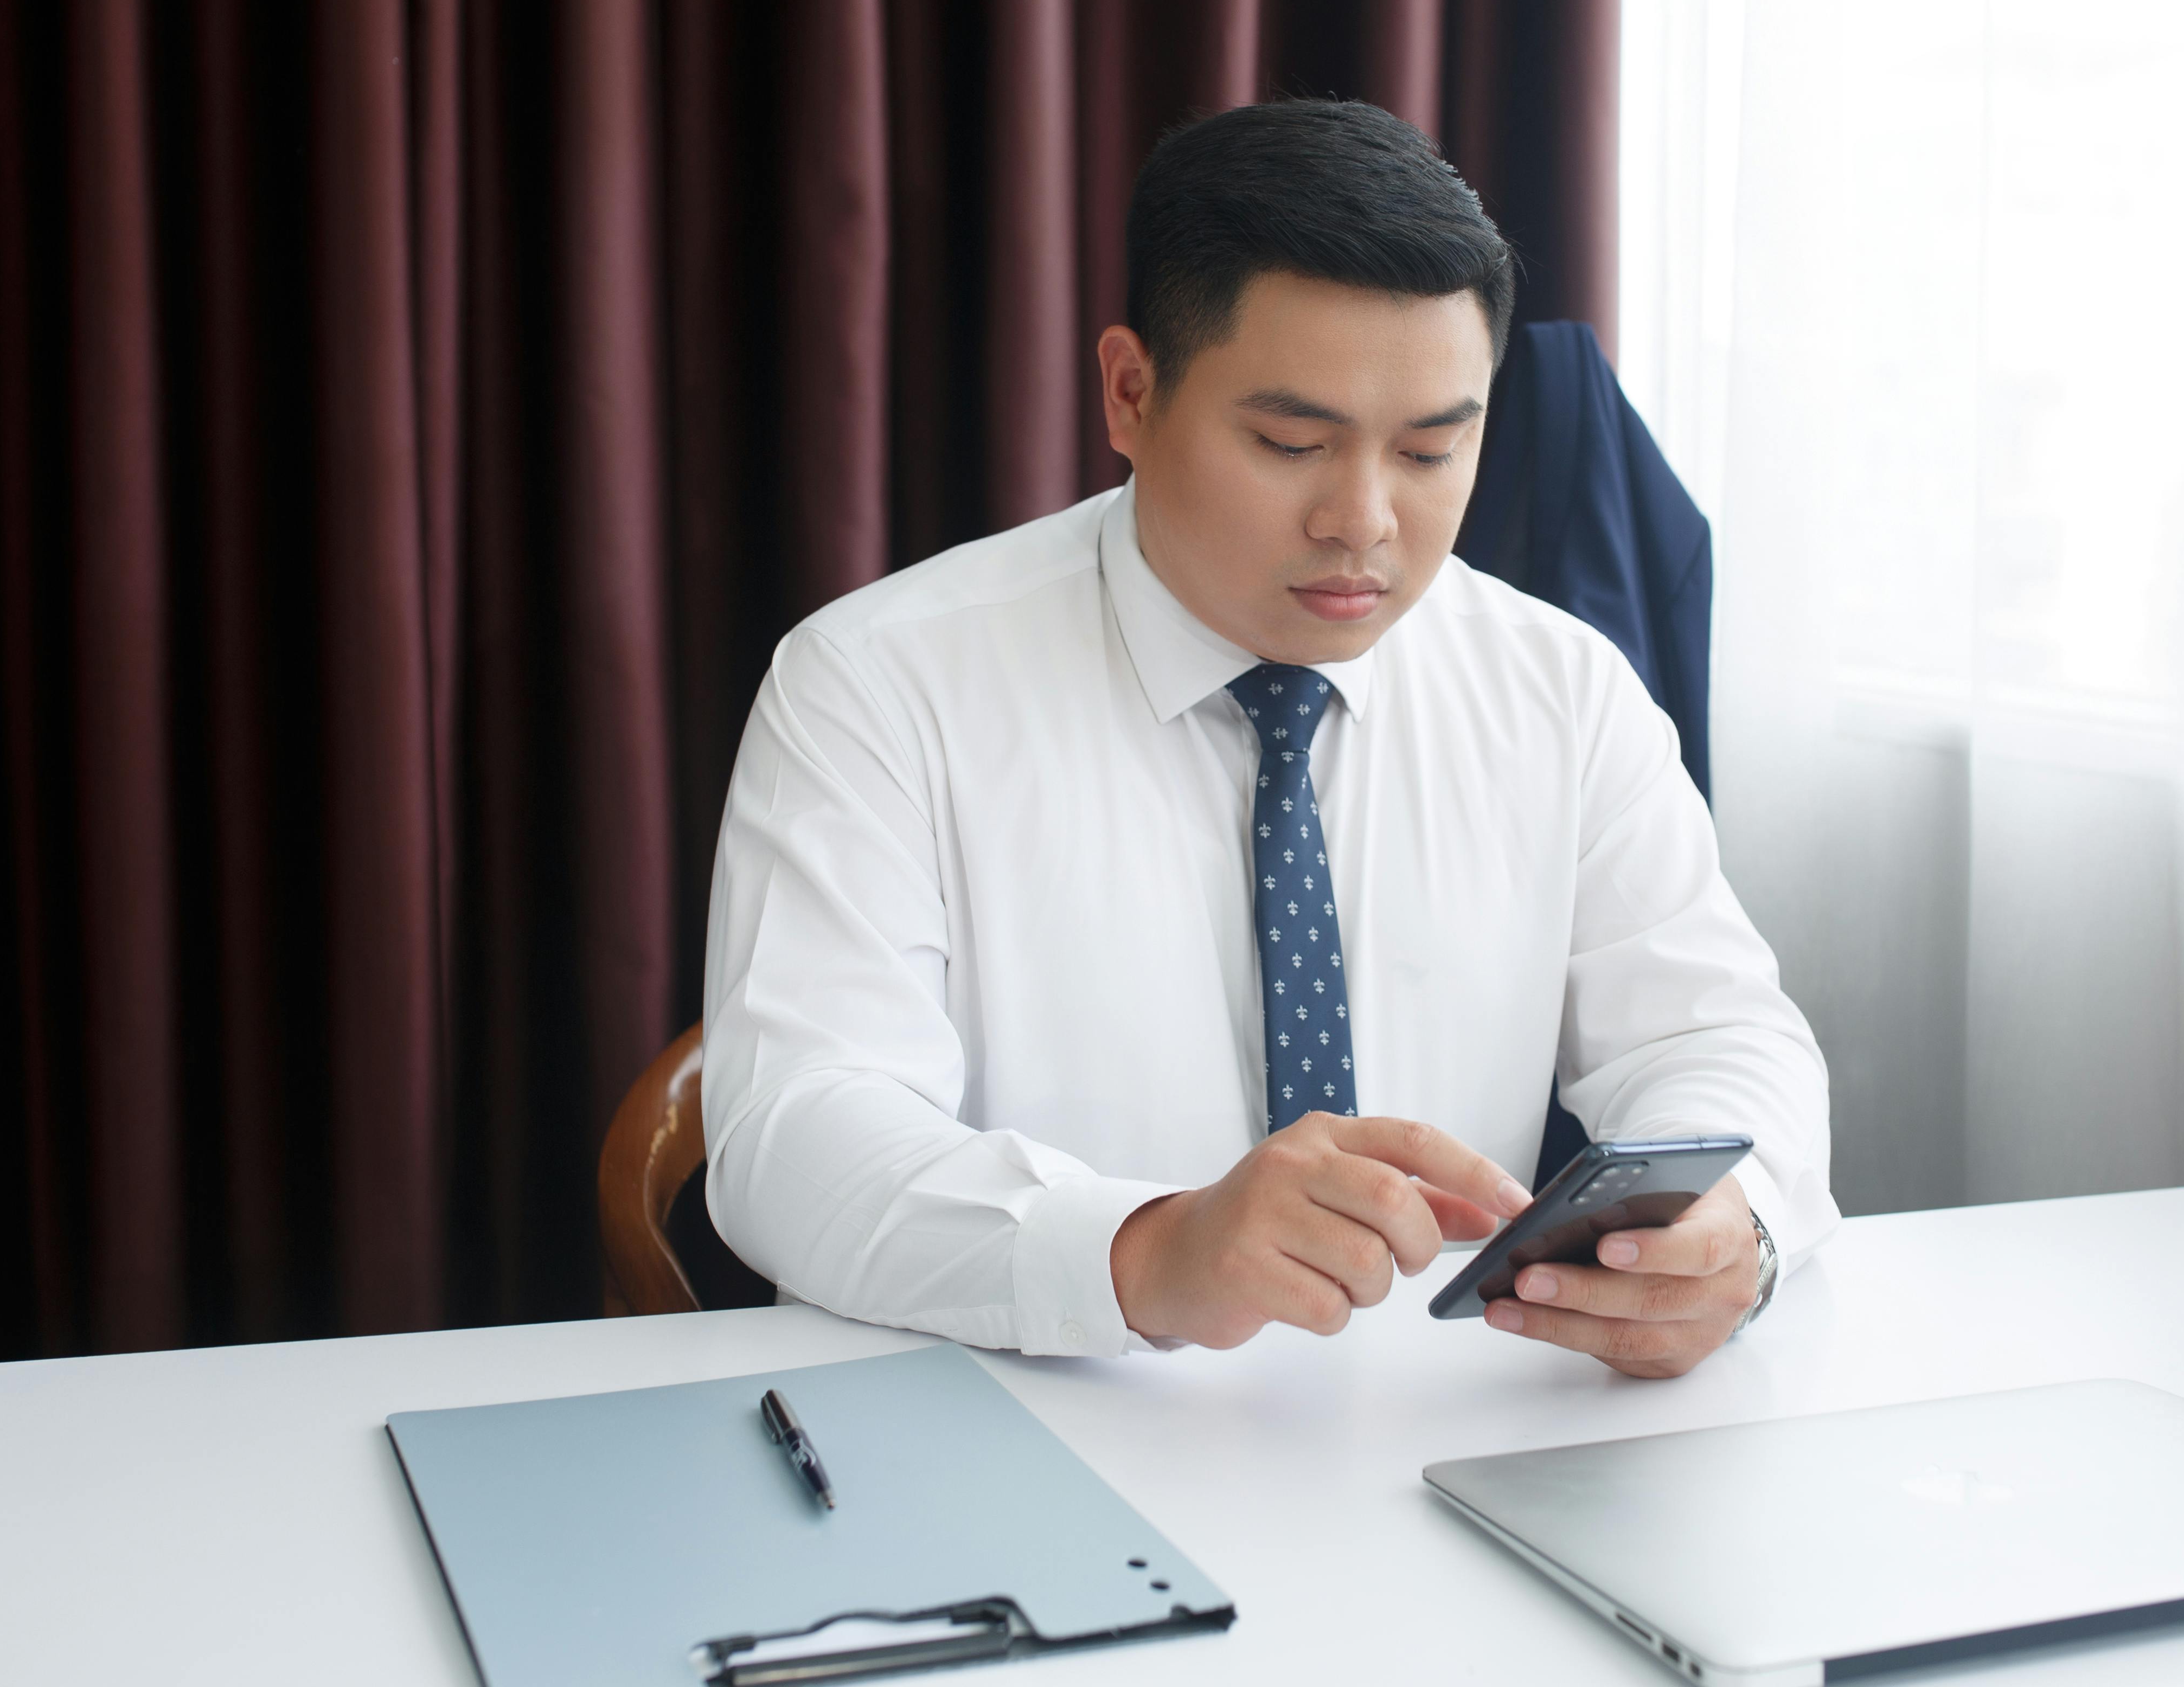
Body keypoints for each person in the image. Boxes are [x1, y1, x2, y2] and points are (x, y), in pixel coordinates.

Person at [701, 99, 1831, 1378]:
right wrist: (1141, 1249)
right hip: (1020, 1421)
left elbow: (1715, 1036)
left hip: (1438, 1435)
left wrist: (1738, 1234)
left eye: (1429, 449)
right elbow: (790, 1136)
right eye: (1290, 443)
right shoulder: (877, 684)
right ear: (1130, 393)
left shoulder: (1559, 689)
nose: (1362, 521)